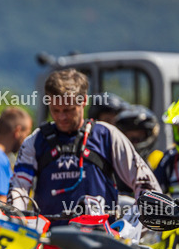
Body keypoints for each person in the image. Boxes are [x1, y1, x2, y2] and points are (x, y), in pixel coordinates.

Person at [9, 68, 160, 222]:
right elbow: (19, 187)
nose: (61, 117)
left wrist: (134, 226)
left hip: (102, 239)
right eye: (55, 110)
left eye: (68, 110)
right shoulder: (36, 140)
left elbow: (146, 183)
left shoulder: (107, 135)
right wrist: (16, 218)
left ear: (84, 101)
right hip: (50, 240)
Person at [113, 104, 163, 169]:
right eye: (129, 138)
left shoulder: (160, 160)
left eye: (139, 137)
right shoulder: (113, 161)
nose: (135, 143)